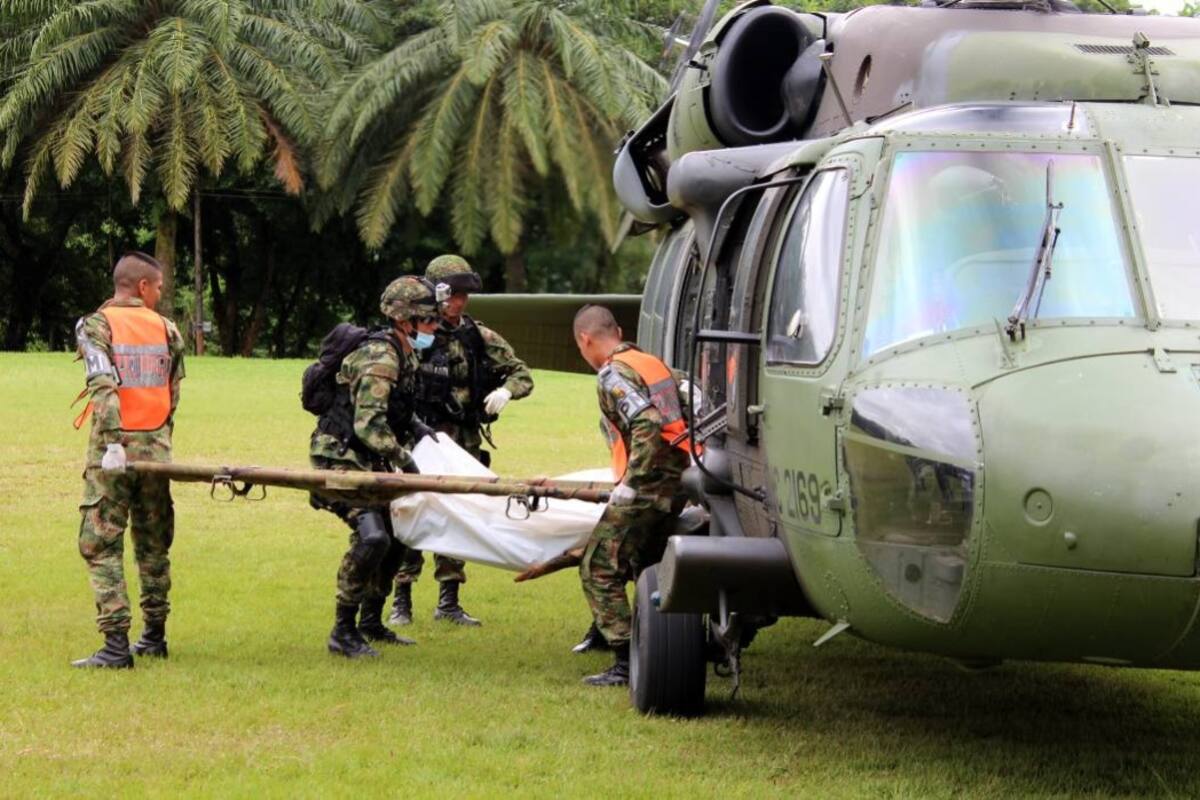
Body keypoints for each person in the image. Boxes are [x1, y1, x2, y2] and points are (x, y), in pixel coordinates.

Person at [388, 255, 534, 627]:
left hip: (463, 442)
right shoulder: (415, 332)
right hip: (418, 439)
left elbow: (521, 374)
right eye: (453, 294)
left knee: (458, 516)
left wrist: (505, 391)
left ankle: (449, 601)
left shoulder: (477, 335)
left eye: (465, 295)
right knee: (412, 510)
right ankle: (401, 598)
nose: (459, 303)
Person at [309, 276, 441, 658]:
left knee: (397, 536)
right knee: (373, 538)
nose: (434, 328)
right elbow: (369, 424)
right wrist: (407, 461)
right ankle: (342, 631)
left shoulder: (404, 352)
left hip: (366, 459)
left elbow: (394, 409)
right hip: (338, 459)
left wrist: (417, 427)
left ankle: (371, 622)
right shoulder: (381, 357)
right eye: (428, 321)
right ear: (406, 320)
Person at [71, 252, 186, 669]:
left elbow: (103, 384)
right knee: (153, 543)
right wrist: (157, 440)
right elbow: (173, 393)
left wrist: (114, 441)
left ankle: (116, 644)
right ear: (141, 287)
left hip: (113, 456)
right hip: (157, 452)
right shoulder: (168, 330)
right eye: (158, 287)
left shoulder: (96, 325)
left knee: (99, 542)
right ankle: (154, 636)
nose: (160, 294)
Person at [571, 304, 695, 686]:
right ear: (619, 330)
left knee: (598, 566)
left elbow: (646, 421)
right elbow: (691, 402)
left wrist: (633, 481)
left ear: (585, 339)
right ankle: (674, 644)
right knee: (647, 561)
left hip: (648, 487)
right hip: (679, 481)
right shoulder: (650, 363)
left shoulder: (613, 374)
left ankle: (626, 659)